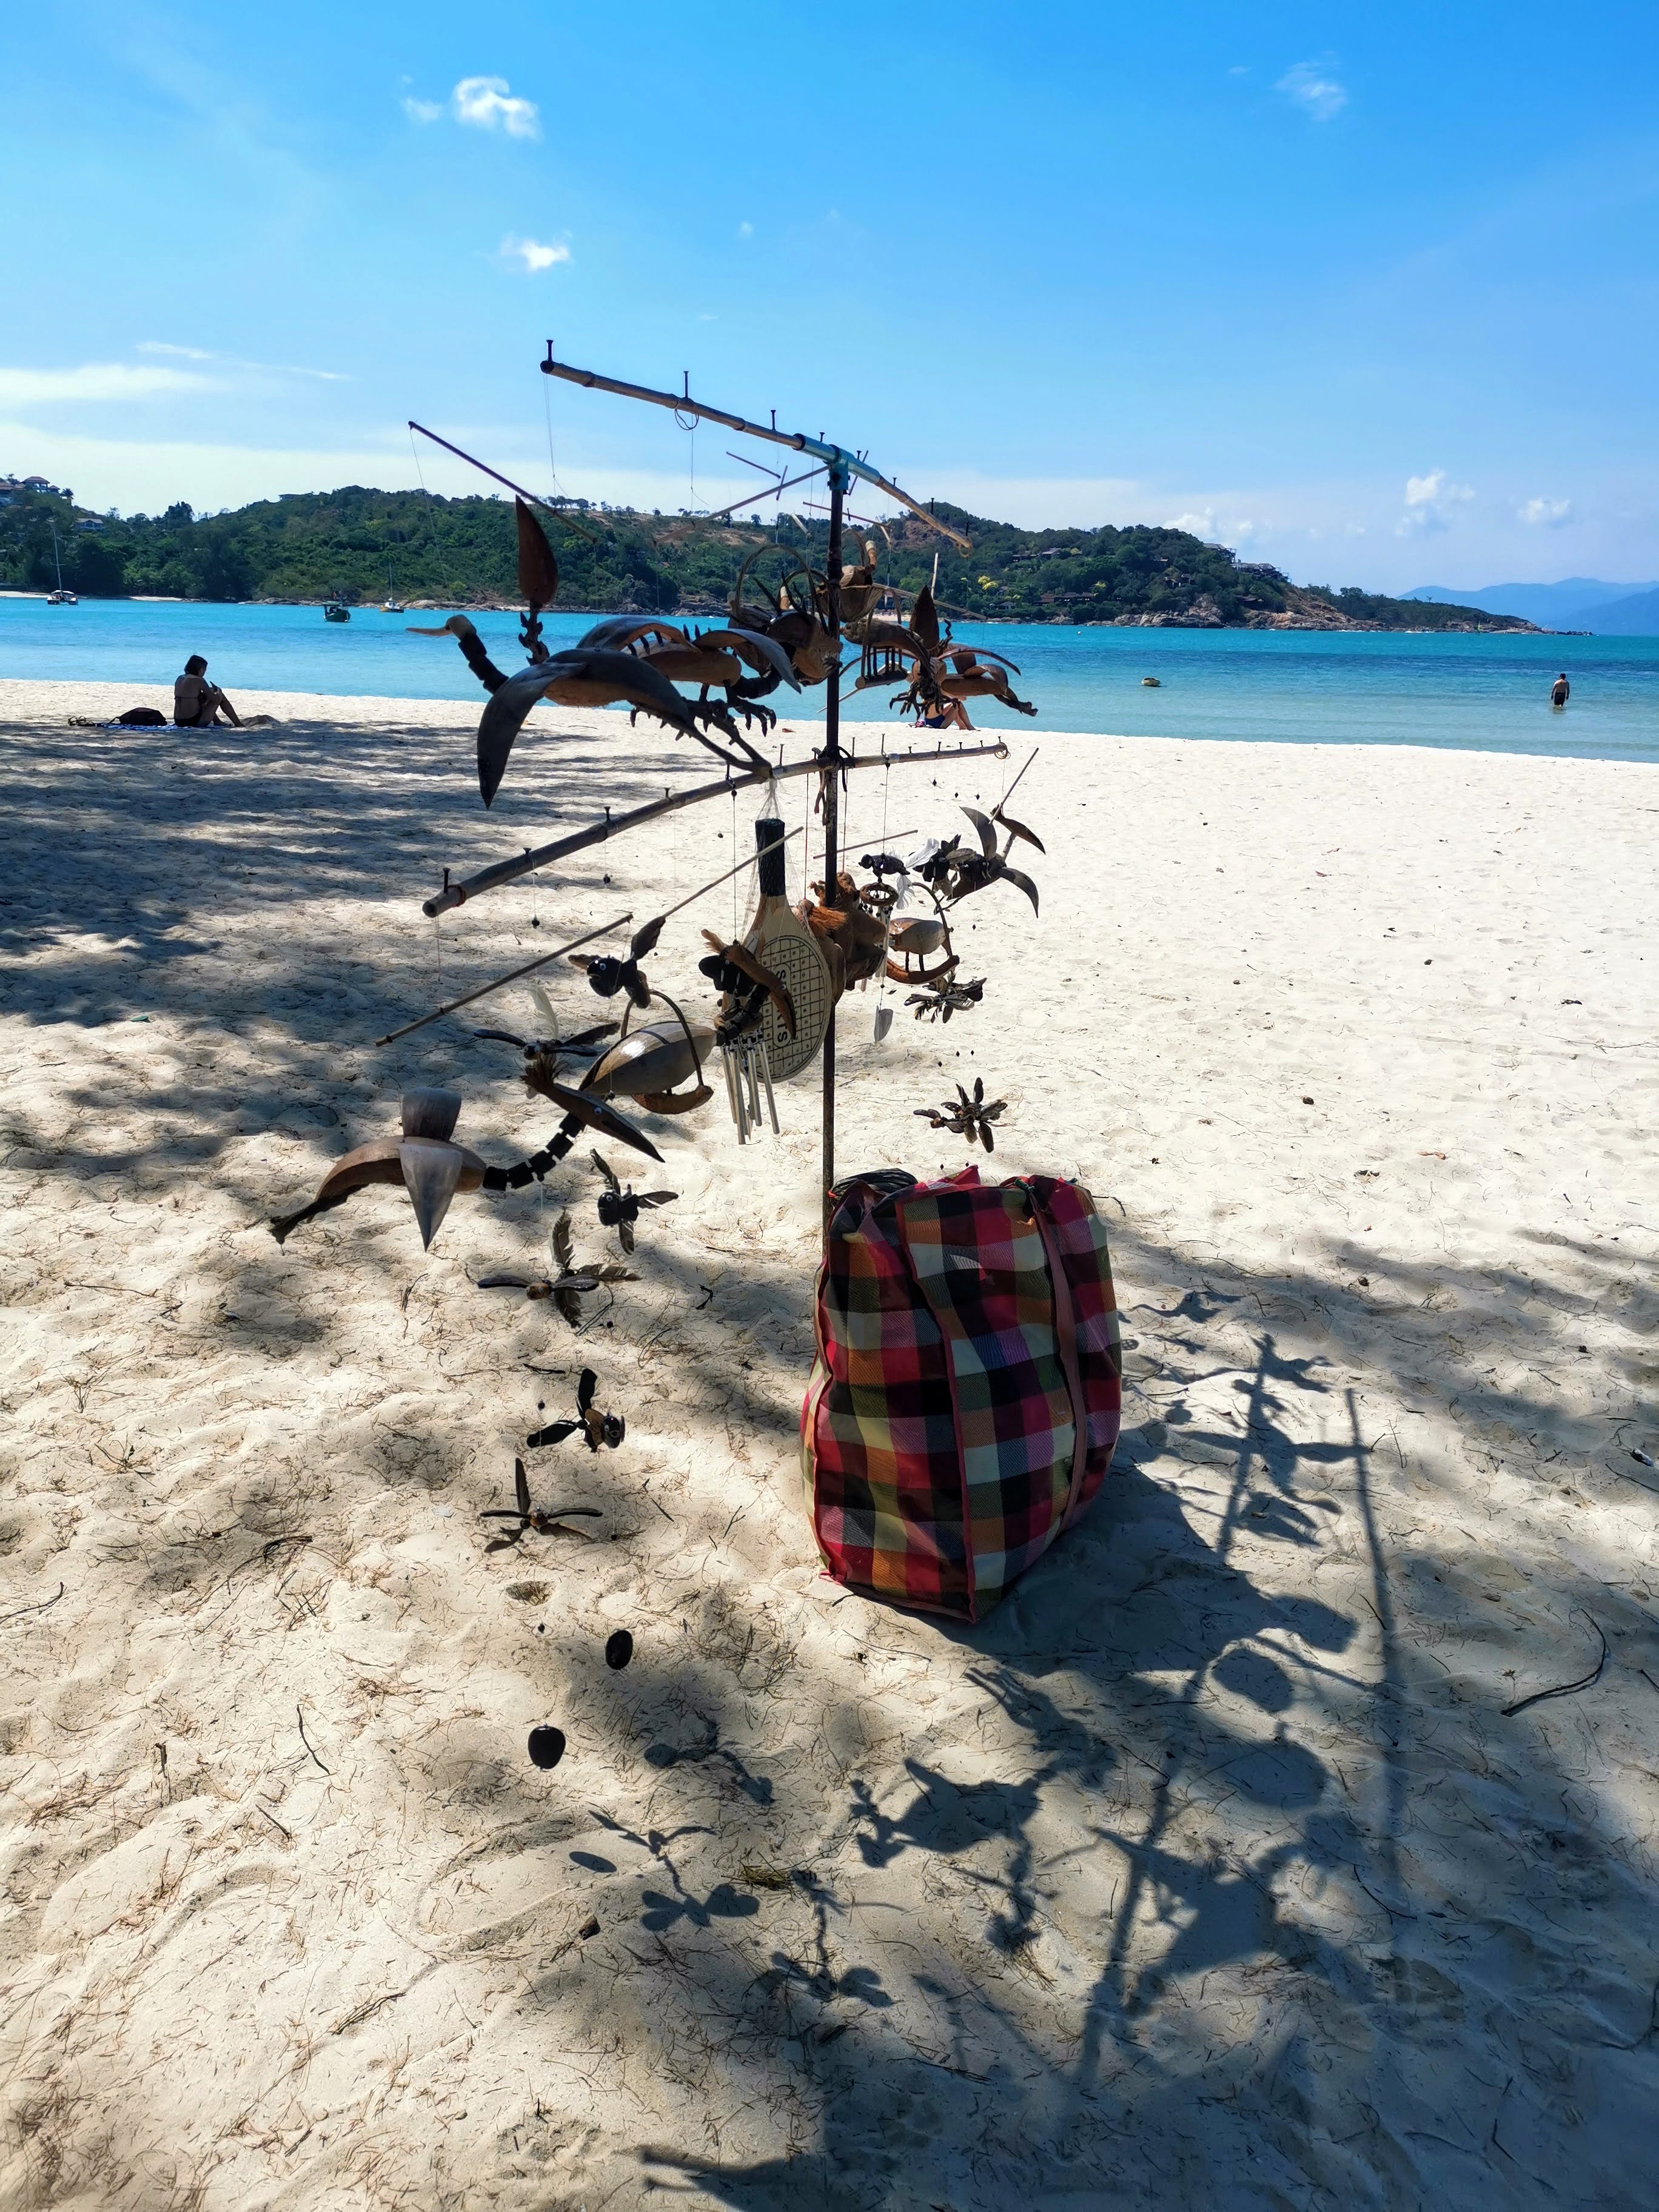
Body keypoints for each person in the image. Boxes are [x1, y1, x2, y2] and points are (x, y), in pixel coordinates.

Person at [173, 654, 242, 728]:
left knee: (203, 697)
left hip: (178, 721)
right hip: (193, 722)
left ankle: (217, 721)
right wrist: (218, 691)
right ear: (200, 669)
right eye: (204, 670)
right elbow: (216, 700)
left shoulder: (180, 678)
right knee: (220, 696)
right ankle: (238, 723)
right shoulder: (199, 680)